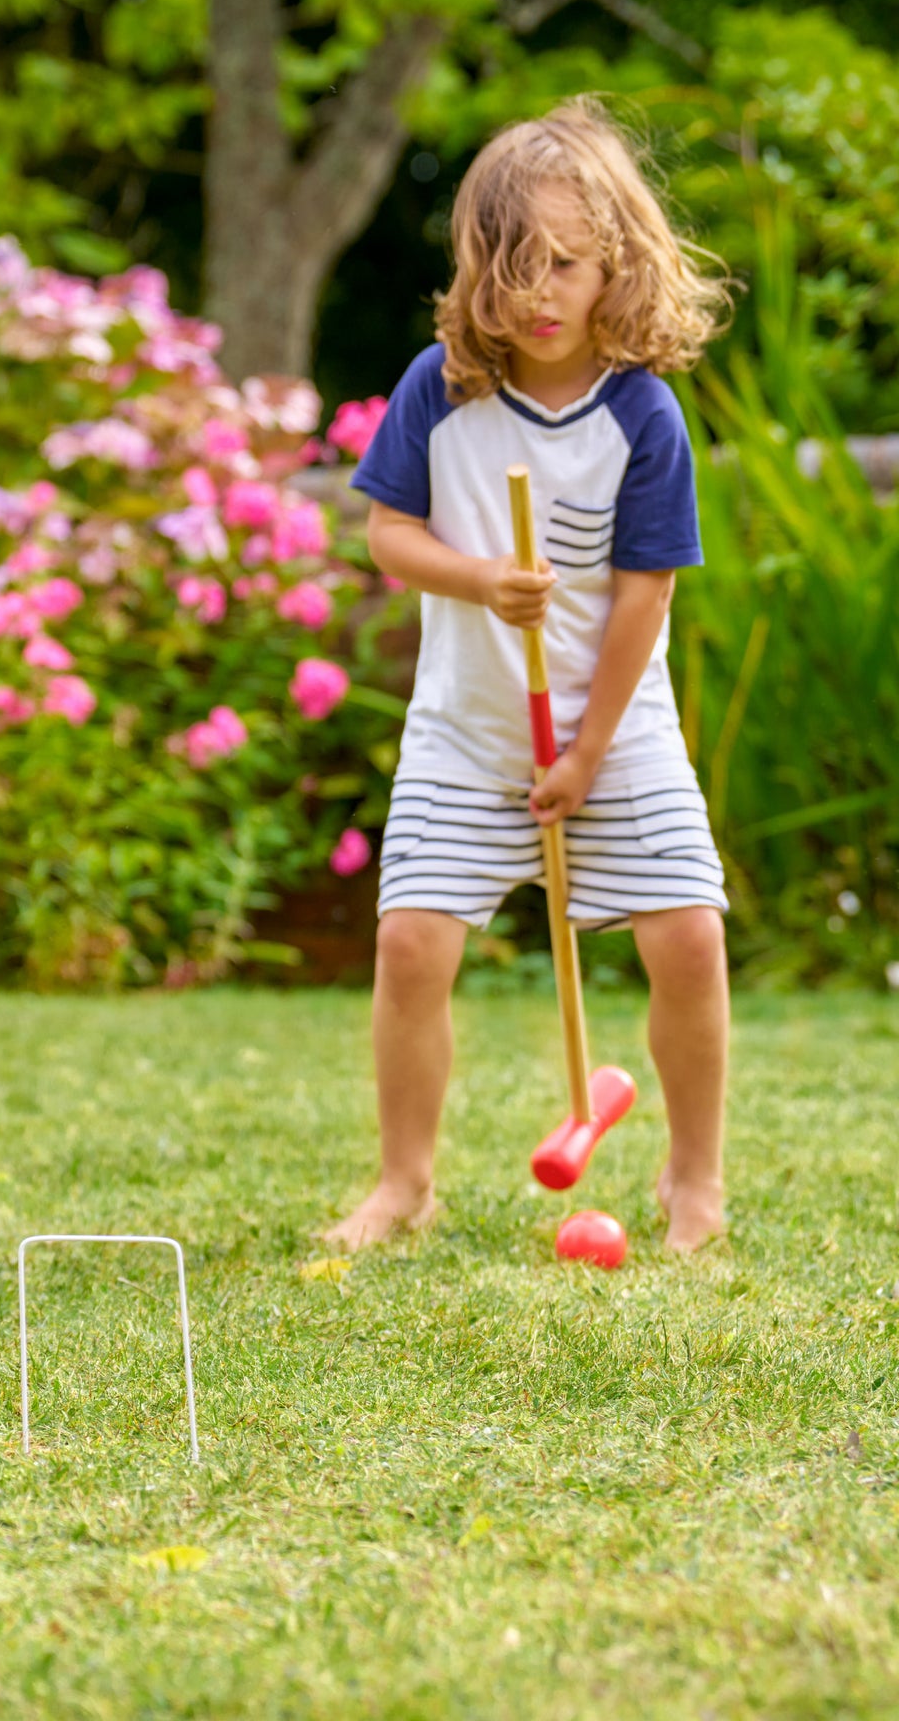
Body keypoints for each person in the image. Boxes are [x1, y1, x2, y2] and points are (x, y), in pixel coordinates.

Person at [326, 98, 734, 1256]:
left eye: (563, 262)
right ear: (474, 269)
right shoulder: (439, 387)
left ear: (617, 260)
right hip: (465, 730)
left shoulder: (640, 416)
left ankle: (690, 1177)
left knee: (687, 937)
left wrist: (588, 755)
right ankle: (404, 1181)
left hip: (614, 728)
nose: (537, 292)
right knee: (410, 945)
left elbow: (643, 596)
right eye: (511, 267)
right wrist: (474, 578)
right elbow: (384, 536)